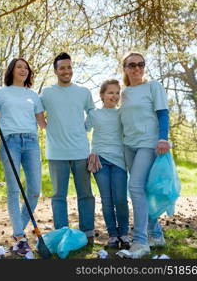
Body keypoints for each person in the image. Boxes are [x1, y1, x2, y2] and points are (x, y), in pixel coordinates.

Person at [40, 52, 96, 245]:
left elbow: (92, 111)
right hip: (56, 153)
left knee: (85, 194)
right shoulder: (47, 93)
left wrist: (86, 128)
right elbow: (36, 110)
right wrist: (45, 126)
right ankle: (62, 232)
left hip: (80, 151)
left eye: (69, 67)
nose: (66, 71)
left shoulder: (83, 92)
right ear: (56, 71)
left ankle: (87, 231)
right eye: (62, 68)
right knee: (58, 195)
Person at [119, 51, 170, 258]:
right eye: (132, 65)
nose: (137, 68)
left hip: (148, 144)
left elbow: (163, 113)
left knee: (136, 187)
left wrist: (162, 138)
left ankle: (140, 242)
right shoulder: (124, 93)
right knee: (140, 191)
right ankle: (156, 235)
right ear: (125, 68)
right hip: (128, 145)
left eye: (140, 64)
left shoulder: (153, 86)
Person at [0, 58, 46, 256]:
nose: (23, 70)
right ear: (11, 70)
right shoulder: (0, 93)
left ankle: (19, 232)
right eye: (19, 67)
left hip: (32, 142)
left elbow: (43, 123)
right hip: (10, 142)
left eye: (26, 68)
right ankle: (19, 236)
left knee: (34, 191)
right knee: (14, 190)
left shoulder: (33, 95)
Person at [85, 79, 129, 249]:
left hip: (119, 160)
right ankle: (112, 235)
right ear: (102, 95)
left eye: (117, 93)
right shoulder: (94, 114)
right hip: (100, 161)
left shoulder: (122, 114)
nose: (115, 96)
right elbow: (81, 131)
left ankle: (124, 233)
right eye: (110, 92)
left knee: (120, 198)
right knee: (107, 199)